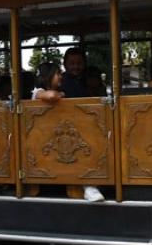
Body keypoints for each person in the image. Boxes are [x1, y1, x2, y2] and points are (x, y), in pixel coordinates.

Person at [32, 62, 105, 202]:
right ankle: (88, 187)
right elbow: (51, 96)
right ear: (48, 76)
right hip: (45, 140)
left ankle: (91, 185)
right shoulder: (38, 91)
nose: (61, 77)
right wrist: (61, 94)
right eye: (58, 74)